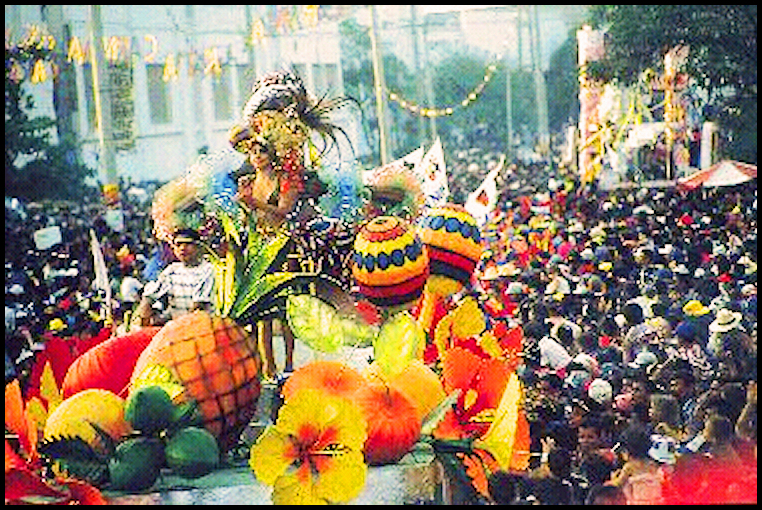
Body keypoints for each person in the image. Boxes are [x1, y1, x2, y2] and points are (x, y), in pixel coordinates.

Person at [132, 228, 214, 327]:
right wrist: (143, 325)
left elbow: (198, 308)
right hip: (178, 327)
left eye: (188, 244)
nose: (183, 248)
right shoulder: (172, 270)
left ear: (198, 247)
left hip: (201, 328)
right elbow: (149, 297)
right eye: (178, 245)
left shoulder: (209, 270)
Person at [608, 423, 667, 505]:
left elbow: (618, 485)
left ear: (627, 451)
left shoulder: (630, 466)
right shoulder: (652, 464)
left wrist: (613, 479)